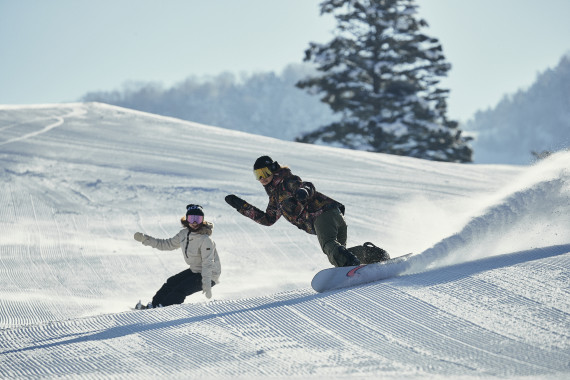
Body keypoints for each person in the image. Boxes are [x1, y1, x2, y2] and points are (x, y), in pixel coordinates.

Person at [224, 156, 389, 267]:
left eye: (265, 173)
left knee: (330, 248)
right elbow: (268, 220)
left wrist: (303, 192)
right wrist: (242, 206)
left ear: (273, 169)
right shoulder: (275, 198)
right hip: (333, 217)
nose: (262, 178)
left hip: (322, 215)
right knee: (338, 255)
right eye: (257, 175)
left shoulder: (287, 181)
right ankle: (373, 255)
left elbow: (306, 185)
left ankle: (352, 265)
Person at [132, 204, 221, 309]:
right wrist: (145, 239)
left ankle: (163, 308)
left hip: (209, 274)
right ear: (187, 219)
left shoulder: (205, 240)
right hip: (195, 270)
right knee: (171, 283)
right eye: (192, 218)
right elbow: (167, 244)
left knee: (180, 289)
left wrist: (207, 284)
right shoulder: (184, 234)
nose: (195, 222)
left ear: (203, 220)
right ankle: (155, 306)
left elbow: (208, 263)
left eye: (198, 219)